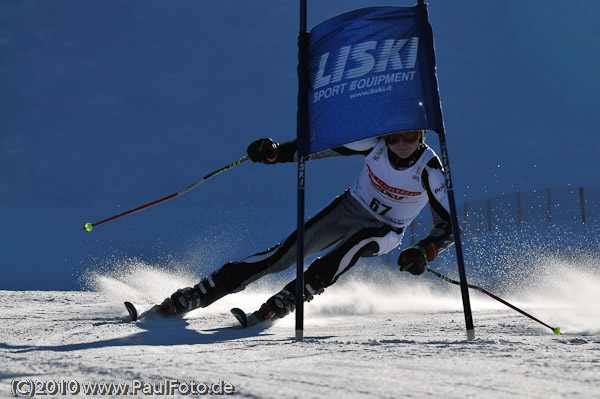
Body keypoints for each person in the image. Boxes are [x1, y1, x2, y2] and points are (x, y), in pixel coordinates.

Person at [155, 130, 454, 322]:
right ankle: (202, 292)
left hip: (386, 230)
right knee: (284, 254)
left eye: (410, 137)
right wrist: (275, 154)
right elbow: (320, 146)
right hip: (350, 208)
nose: (401, 144)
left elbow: (449, 226)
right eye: (394, 137)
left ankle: (295, 294)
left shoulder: (429, 169)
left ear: (422, 137)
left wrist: (423, 251)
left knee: (359, 242)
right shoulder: (372, 143)